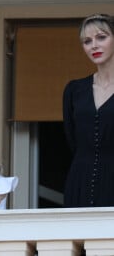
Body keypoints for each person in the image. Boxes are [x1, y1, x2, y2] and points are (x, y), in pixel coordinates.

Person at [63, 13, 114, 207]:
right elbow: (72, 139)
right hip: (79, 181)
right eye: (87, 41)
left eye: (101, 37)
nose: (94, 45)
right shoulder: (74, 90)